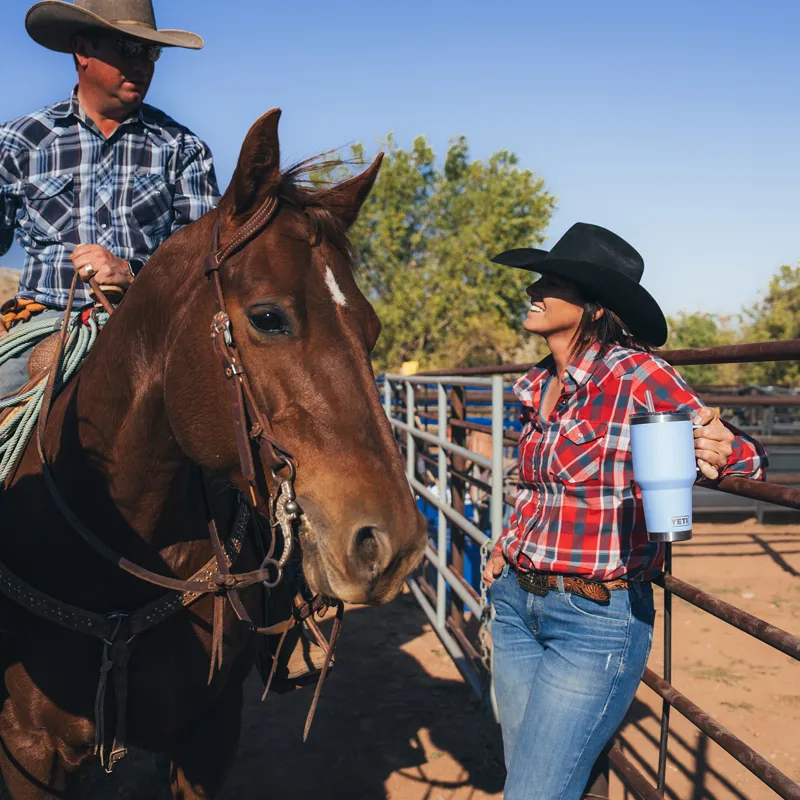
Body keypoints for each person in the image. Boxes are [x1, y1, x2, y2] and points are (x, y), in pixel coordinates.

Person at [482, 223, 766, 800]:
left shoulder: (638, 374)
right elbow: (537, 488)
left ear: (592, 306)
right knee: (528, 775)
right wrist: (505, 544)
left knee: (532, 794)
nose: (533, 290)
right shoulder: (538, 384)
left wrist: (720, 447)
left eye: (552, 282)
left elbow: (744, 456)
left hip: (594, 617)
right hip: (515, 601)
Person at [0, 0, 219, 394]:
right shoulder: (18, 142)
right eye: (129, 49)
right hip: (43, 324)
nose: (143, 64)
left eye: (151, 52)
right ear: (83, 51)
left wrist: (131, 273)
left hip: (152, 325)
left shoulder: (183, 149)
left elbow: (205, 259)